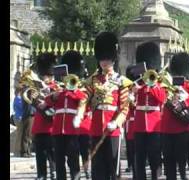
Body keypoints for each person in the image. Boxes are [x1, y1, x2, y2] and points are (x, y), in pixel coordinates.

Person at [81, 32, 132, 180]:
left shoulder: (121, 82)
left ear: (113, 59)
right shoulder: (92, 81)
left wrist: (116, 123)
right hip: (96, 128)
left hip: (113, 131)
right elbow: (85, 101)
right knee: (98, 169)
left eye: (107, 58)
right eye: (102, 58)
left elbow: (124, 108)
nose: (104, 62)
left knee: (113, 168)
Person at [20, 52, 58, 179]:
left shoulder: (57, 87)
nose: (45, 78)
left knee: (52, 152)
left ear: (52, 75)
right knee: (40, 153)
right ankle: (41, 174)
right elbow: (32, 101)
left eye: (48, 75)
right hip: (39, 125)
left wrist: (46, 102)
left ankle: (54, 172)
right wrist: (36, 99)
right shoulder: (36, 87)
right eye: (44, 75)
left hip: (52, 126)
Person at [161, 52, 189, 180]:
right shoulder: (167, 83)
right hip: (166, 127)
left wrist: (183, 103)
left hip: (181, 127)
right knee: (168, 159)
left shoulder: (188, 84)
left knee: (181, 159)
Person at [133, 41, 167, 180]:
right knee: (139, 157)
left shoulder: (160, 83)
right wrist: (134, 91)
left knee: (155, 156)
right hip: (140, 124)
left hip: (155, 125)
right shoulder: (137, 83)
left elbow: (161, 99)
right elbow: (130, 102)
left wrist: (151, 86)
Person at [59, 50, 91, 179]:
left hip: (83, 125)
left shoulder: (84, 87)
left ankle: (86, 169)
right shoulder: (62, 88)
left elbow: (86, 102)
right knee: (70, 154)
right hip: (68, 126)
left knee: (84, 150)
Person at [13, 87, 24, 157]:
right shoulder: (18, 98)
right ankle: (16, 151)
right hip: (18, 117)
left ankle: (19, 150)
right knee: (19, 135)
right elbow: (22, 107)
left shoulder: (19, 98)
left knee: (21, 134)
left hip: (19, 117)